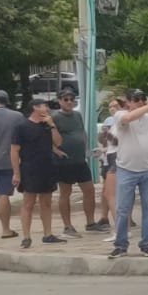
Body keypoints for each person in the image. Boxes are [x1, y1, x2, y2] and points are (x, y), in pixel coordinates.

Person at [110, 90, 148, 258]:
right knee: (123, 209)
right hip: (126, 169)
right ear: (128, 102)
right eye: (136, 99)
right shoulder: (120, 114)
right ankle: (121, 245)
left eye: (143, 99)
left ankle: (146, 244)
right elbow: (129, 119)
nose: (141, 102)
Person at [11, 99, 65, 248]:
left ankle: (48, 234)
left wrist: (52, 125)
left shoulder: (47, 126)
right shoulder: (22, 126)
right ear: (35, 108)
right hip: (29, 168)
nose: (47, 109)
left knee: (46, 203)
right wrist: (16, 173)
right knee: (28, 203)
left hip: (47, 167)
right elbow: (14, 150)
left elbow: (58, 142)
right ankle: (26, 236)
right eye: (44, 106)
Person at [52, 90, 103, 236]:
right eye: (66, 99)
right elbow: (46, 136)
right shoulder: (54, 117)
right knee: (65, 193)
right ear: (60, 101)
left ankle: (90, 222)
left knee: (89, 190)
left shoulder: (77, 115)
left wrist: (86, 149)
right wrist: (56, 151)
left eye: (71, 99)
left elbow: (82, 132)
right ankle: (67, 226)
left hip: (80, 160)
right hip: (64, 161)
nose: (69, 102)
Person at [0, 90, 25, 240]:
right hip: (7, 162)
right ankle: (6, 229)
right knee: (2, 195)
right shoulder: (17, 117)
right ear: (7, 101)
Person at [96, 98, 124, 237]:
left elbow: (119, 141)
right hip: (110, 157)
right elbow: (104, 139)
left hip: (119, 158)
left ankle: (122, 228)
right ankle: (120, 227)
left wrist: (108, 136)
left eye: (115, 106)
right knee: (108, 193)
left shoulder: (123, 120)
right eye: (110, 106)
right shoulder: (109, 121)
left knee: (113, 194)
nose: (112, 108)